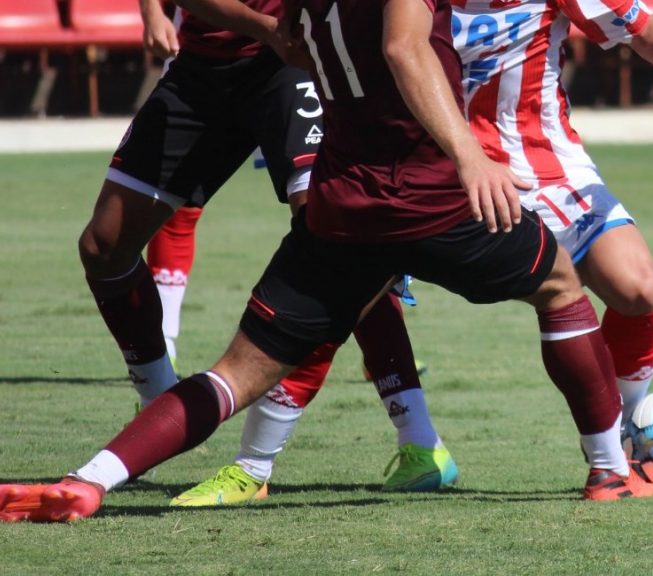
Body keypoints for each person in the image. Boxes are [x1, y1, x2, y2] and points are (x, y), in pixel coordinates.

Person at [0, 0, 653, 523]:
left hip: (343, 211)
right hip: (430, 195)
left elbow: (299, 43)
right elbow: (404, 50)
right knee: (560, 284)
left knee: (231, 375)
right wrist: (468, 155)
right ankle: (610, 472)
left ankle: (90, 480)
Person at [183, 0, 653, 502]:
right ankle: (253, 465)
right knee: (335, 310)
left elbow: (646, 30)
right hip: (430, 171)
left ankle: (620, 439)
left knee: (637, 289)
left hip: (543, 163)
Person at [77, 0, 459, 507]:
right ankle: (158, 401)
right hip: (209, 64)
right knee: (103, 245)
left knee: (340, 240)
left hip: (293, 62)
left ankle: (406, 439)